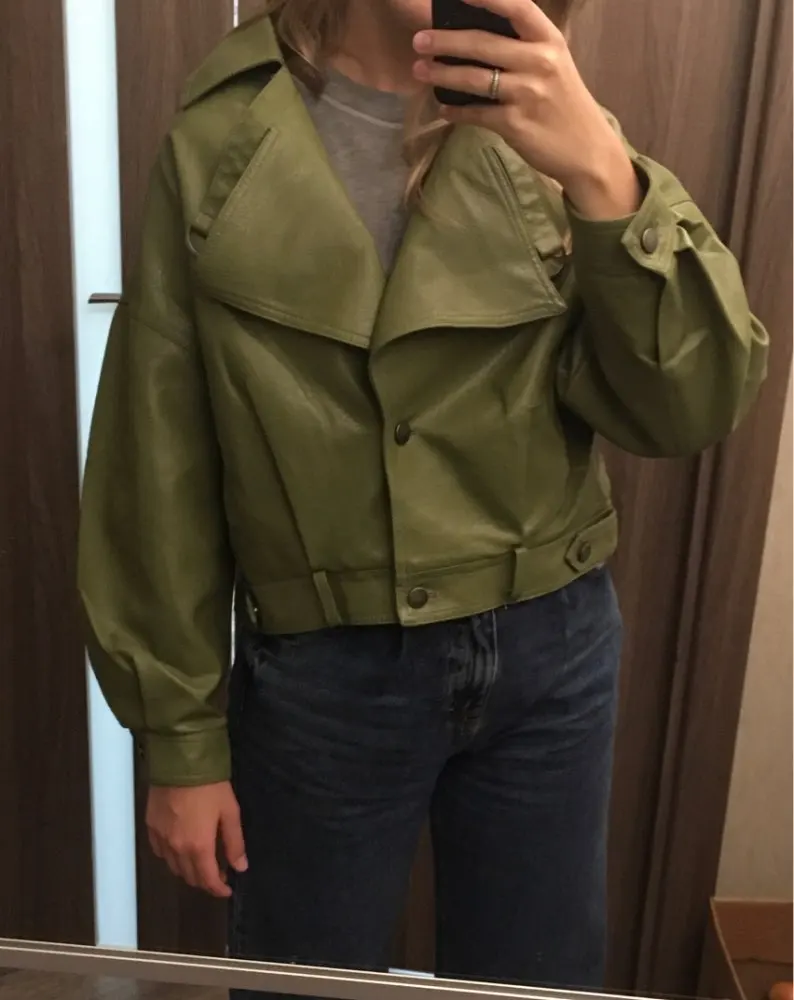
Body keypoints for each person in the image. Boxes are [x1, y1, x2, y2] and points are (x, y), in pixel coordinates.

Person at [78, 0, 768, 994]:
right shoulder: (219, 136)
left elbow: (687, 407)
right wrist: (179, 736)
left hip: (548, 648)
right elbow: (159, 453)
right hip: (323, 667)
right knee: (303, 984)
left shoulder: (552, 124)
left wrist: (605, 178)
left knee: (533, 983)